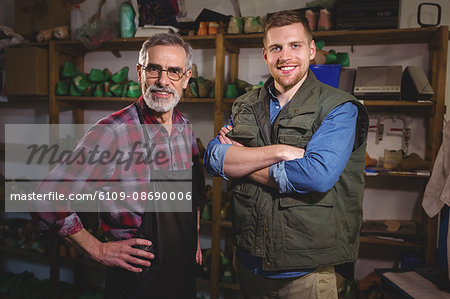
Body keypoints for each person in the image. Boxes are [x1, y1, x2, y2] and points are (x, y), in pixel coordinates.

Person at [204, 10, 369, 299]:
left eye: (295, 45)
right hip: (248, 262)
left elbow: (316, 176)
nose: (285, 56)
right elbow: (214, 159)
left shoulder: (339, 108)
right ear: (265, 54)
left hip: (306, 272)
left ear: (312, 50)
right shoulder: (245, 105)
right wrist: (278, 152)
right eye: (276, 48)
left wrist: (242, 163)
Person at [32, 33, 204, 299]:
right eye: (154, 69)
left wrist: (192, 238)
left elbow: (194, 191)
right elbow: (45, 199)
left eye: (174, 71)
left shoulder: (185, 128)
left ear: (186, 78)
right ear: (139, 72)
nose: (162, 81)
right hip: (136, 282)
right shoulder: (113, 133)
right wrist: (97, 249)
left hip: (182, 275)